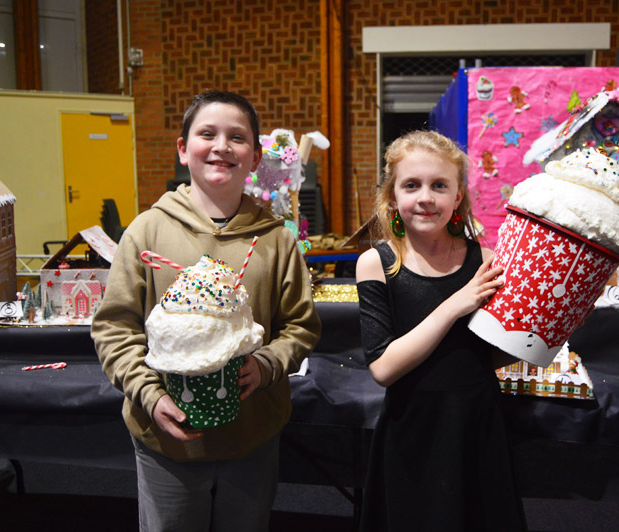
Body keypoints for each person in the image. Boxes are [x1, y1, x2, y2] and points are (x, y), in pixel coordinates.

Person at [91, 89, 321, 532]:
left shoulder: (276, 240)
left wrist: (267, 365)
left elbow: (300, 326)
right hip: (166, 442)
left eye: (237, 137)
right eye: (207, 134)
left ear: (255, 157)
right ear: (183, 149)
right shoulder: (146, 232)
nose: (222, 146)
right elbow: (115, 328)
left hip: (251, 436)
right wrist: (150, 395)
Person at [355, 130, 526, 531]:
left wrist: (551, 326)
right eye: (411, 185)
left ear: (458, 196)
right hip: (411, 432)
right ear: (392, 197)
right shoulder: (377, 263)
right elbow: (383, 367)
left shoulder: (486, 262)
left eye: (439, 185)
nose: (426, 197)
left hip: (476, 427)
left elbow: (486, 354)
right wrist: (455, 305)